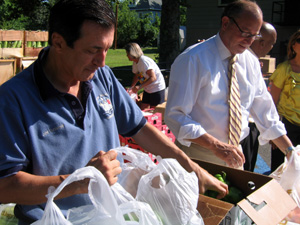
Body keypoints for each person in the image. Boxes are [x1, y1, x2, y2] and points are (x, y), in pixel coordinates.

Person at [0, 0, 227, 224]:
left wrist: (192, 169)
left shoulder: (103, 78)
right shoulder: (12, 100)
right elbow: (5, 186)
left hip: (112, 215)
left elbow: (140, 129)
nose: (102, 62)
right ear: (58, 43)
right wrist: (79, 182)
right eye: (93, 50)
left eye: (107, 49)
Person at [165, 0, 294, 169]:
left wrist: (291, 152)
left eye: (255, 35)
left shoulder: (251, 62)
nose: (249, 41)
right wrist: (215, 145)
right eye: (245, 33)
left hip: (235, 154)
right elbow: (175, 115)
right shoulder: (193, 59)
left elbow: (265, 112)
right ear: (225, 23)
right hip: (198, 155)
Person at [241, 21, 277, 171]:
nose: (272, 48)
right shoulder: (241, 60)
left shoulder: (252, 61)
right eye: (271, 44)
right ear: (261, 43)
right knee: (245, 169)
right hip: (245, 127)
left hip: (250, 125)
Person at [269, 29, 300, 172]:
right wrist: (274, 132)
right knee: (281, 170)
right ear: (293, 45)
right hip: (287, 127)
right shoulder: (284, 69)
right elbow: (272, 102)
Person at [125, 42, 166, 110]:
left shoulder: (144, 61)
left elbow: (153, 78)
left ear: (132, 53)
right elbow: (137, 75)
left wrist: (139, 87)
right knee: (143, 109)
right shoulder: (135, 62)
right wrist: (132, 87)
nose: (127, 55)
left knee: (155, 111)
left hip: (157, 88)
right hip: (147, 89)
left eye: (127, 53)